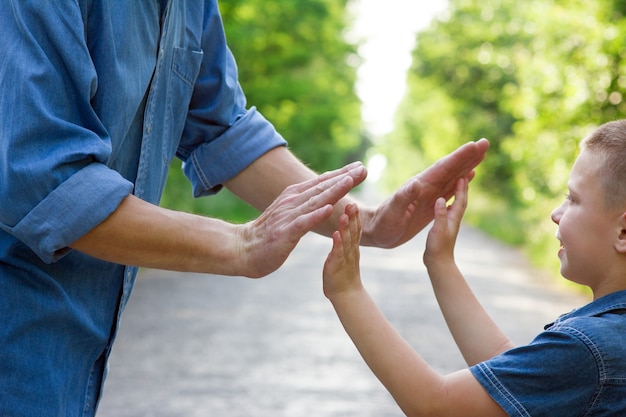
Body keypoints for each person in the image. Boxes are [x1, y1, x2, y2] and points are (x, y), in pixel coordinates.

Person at [0, 1, 490, 416]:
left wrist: (370, 223)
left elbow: (223, 129)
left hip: (71, 348)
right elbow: (43, 175)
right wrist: (241, 243)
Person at [323, 120, 626, 417]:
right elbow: (509, 384)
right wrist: (440, 262)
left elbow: (434, 404)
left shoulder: (590, 351)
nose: (555, 214)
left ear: (623, 233)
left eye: (573, 199)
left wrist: (346, 290)